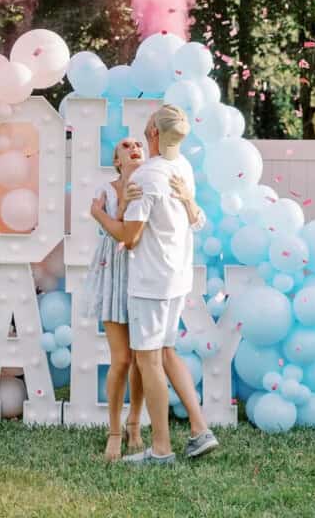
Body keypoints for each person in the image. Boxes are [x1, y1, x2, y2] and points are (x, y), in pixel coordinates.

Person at [90, 104, 219, 464]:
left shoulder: (146, 177)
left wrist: (99, 214)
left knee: (149, 361)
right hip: (177, 278)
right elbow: (192, 218)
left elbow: (130, 238)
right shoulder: (183, 168)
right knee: (166, 351)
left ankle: (161, 449)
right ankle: (200, 429)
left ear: (154, 135)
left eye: (144, 133)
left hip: (151, 281)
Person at [83, 136, 194, 460]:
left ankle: (135, 424)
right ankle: (114, 432)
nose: (134, 148)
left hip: (146, 275)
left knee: (145, 358)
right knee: (122, 359)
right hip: (116, 276)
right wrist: (112, 208)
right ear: (117, 159)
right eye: (125, 146)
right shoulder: (105, 190)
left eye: (139, 145)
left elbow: (148, 231)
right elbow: (118, 233)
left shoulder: (153, 183)